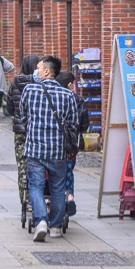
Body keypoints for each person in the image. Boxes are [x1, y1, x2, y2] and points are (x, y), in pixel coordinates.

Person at [18, 55, 78, 241]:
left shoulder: (29, 90)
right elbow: (73, 124)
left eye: (38, 68)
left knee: (36, 186)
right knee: (58, 188)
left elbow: (23, 117)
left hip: (35, 149)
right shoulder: (68, 95)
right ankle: (56, 226)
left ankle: (41, 221)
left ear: (46, 71)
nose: (35, 71)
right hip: (58, 150)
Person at [6, 54, 40, 212]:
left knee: (22, 166)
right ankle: (38, 199)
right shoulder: (41, 84)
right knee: (39, 164)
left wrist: (18, 117)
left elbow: (9, 107)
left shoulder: (15, 82)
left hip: (20, 131)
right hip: (38, 131)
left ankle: (25, 201)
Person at [55, 70, 90, 216]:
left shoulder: (53, 97)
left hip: (53, 143)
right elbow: (84, 125)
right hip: (70, 144)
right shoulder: (78, 100)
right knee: (68, 172)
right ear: (70, 85)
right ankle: (70, 197)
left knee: (53, 174)